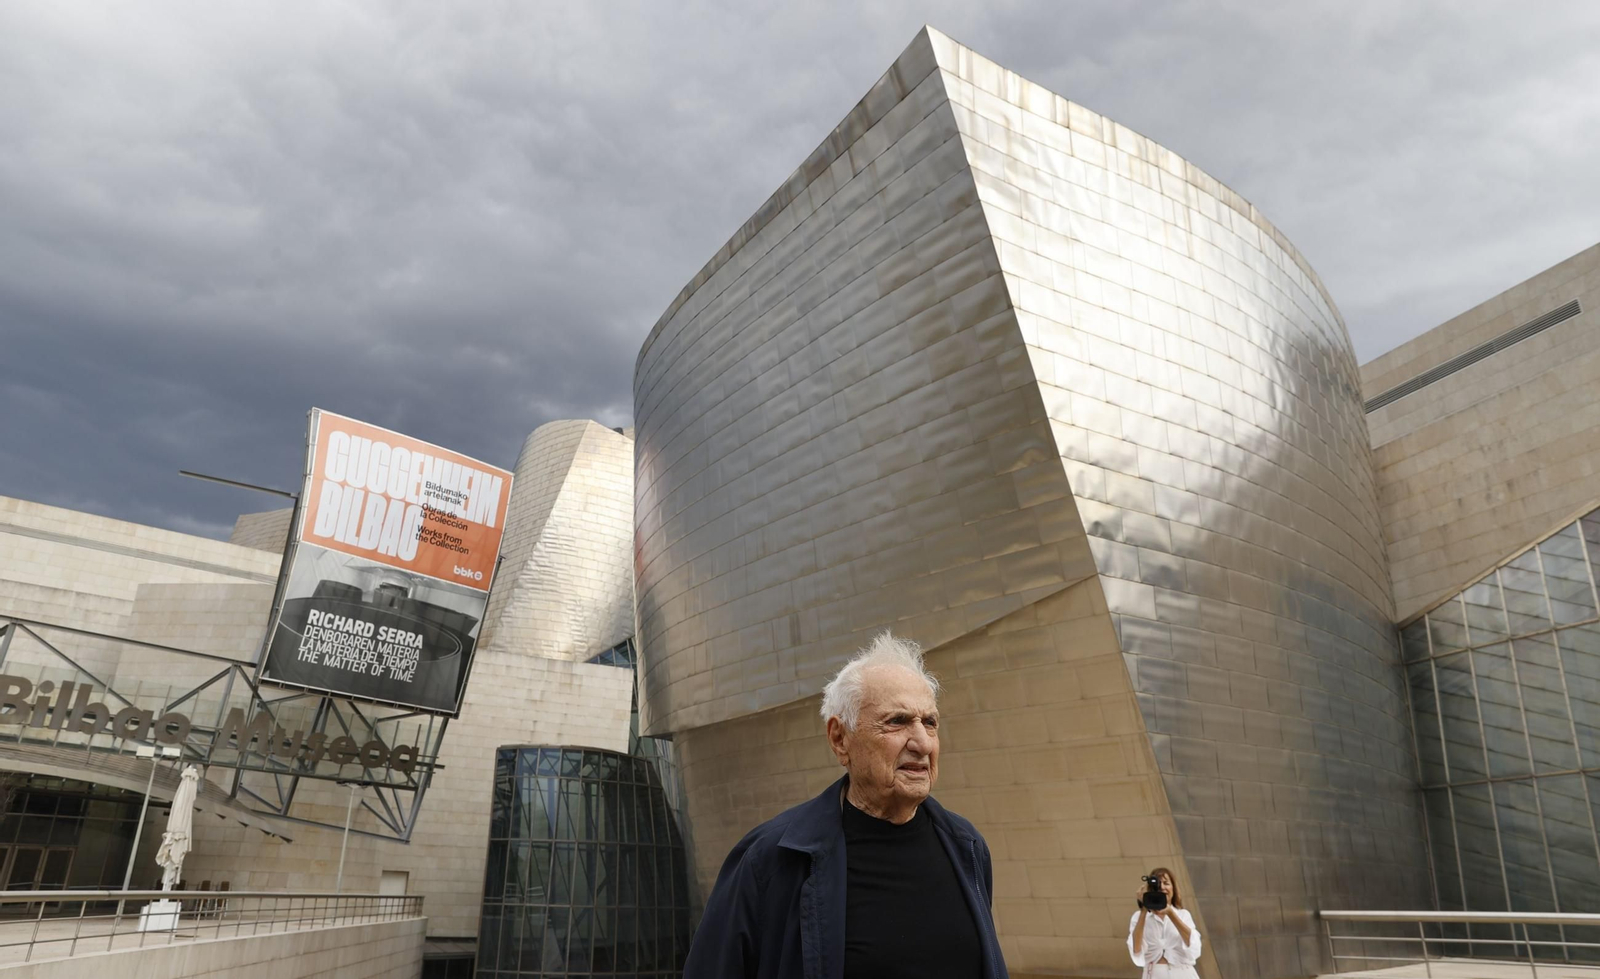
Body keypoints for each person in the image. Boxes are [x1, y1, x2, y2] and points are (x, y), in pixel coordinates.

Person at [681, 632, 1008, 978]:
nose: (923, 743)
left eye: (930, 722)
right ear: (840, 739)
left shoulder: (967, 847)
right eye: (897, 721)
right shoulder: (771, 861)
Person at [1127, 867, 1202, 979]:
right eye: (1158, 885)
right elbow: (1136, 950)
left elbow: (1194, 948)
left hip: (1183, 972)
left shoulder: (1183, 915)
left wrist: (1171, 914)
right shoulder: (1139, 917)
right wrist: (1143, 909)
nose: (1162, 888)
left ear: (1173, 888)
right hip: (1154, 974)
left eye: (1166, 883)